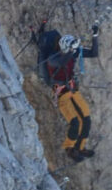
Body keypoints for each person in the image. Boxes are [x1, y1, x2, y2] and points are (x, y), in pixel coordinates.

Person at [33, 21, 99, 161]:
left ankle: (80, 148)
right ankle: (70, 149)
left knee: (86, 119)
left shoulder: (70, 54)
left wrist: (95, 35)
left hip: (73, 91)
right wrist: (72, 51)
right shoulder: (52, 58)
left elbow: (94, 53)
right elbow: (61, 62)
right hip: (62, 94)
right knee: (74, 122)